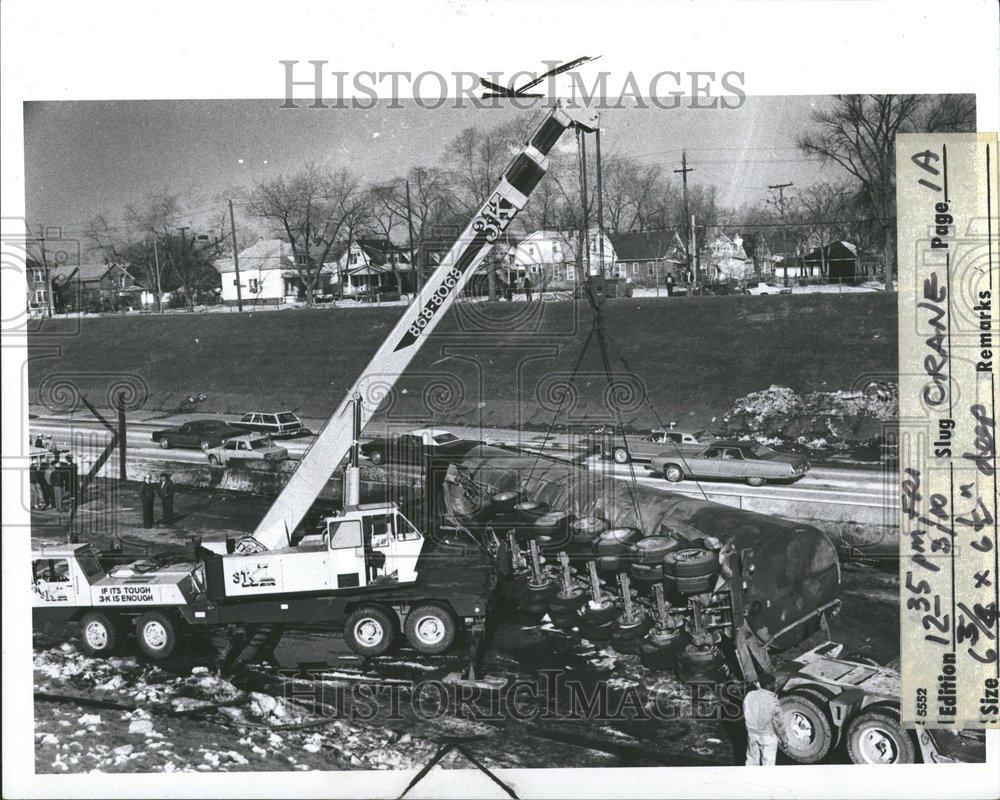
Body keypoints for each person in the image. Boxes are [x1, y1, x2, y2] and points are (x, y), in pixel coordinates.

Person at [742, 683, 788, 765]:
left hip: (752, 735)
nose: (775, 686)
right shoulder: (772, 700)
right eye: (773, 684)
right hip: (767, 737)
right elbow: (778, 723)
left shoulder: (750, 695)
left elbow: (745, 712)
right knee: (768, 764)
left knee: (751, 760)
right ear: (769, 686)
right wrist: (784, 740)